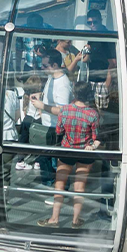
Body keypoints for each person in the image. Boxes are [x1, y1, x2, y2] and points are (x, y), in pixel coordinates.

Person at [38, 81, 101, 229]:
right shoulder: (92, 113)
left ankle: (54, 219)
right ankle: (75, 220)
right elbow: (96, 136)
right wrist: (91, 145)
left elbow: (59, 131)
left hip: (67, 150)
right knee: (79, 187)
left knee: (59, 185)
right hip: (85, 153)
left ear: (74, 92)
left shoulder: (65, 110)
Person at [29, 49, 72, 186]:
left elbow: (62, 111)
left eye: (45, 65)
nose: (42, 68)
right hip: (48, 125)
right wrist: (39, 95)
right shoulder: (51, 78)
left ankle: (56, 186)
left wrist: (43, 106)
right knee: (44, 158)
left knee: (53, 161)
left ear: (54, 65)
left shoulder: (63, 84)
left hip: (56, 128)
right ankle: (49, 183)